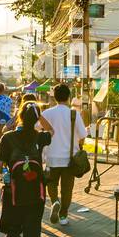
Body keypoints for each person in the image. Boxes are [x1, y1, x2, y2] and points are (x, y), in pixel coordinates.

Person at [0, 102, 51, 237]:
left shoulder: (8, 138)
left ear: (18, 115)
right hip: (37, 193)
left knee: (11, 229)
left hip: (14, 194)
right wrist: (38, 114)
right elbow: (51, 131)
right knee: (32, 235)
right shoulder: (39, 137)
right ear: (36, 119)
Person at [41, 83, 88, 226]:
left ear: (54, 97)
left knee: (51, 184)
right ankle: (63, 216)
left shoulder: (47, 113)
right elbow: (82, 135)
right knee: (67, 188)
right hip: (69, 158)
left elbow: (37, 128)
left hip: (51, 157)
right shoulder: (73, 113)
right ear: (69, 97)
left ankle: (55, 201)